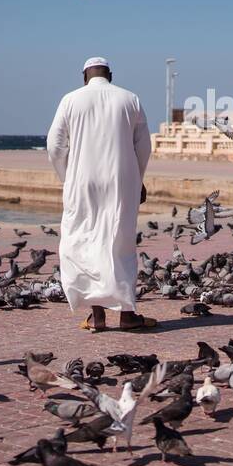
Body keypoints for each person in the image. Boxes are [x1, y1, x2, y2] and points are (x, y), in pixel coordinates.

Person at [46, 57, 154, 331]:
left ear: (84, 76)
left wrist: (67, 176)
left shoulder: (71, 100)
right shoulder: (130, 99)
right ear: (111, 75)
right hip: (121, 181)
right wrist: (137, 179)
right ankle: (127, 316)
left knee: (83, 241)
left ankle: (97, 317)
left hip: (82, 182)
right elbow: (143, 147)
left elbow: (55, 145)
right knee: (120, 242)